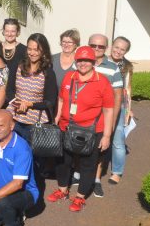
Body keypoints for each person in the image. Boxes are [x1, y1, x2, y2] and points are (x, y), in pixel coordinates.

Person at [47, 46, 114, 212]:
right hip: (66, 127)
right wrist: (57, 117)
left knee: (87, 164)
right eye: (80, 60)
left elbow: (108, 110)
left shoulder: (102, 81)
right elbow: (61, 99)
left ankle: (80, 197)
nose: (83, 64)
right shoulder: (69, 77)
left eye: (87, 60)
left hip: (91, 131)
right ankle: (63, 190)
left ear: (93, 62)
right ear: (75, 61)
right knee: (62, 161)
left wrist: (106, 135)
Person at [87, 33, 124, 198]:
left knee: (101, 148)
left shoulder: (113, 67)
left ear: (106, 48)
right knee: (80, 143)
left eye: (100, 46)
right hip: (84, 113)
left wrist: (113, 121)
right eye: (93, 45)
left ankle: (96, 179)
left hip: (103, 115)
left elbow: (118, 96)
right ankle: (79, 174)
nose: (96, 49)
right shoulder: (80, 61)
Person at [4, 33, 58, 143]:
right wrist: (17, 104)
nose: (32, 53)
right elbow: (9, 90)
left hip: (35, 123)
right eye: (29, 49)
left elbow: (50, 102)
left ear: (43, 51)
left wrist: (30, 104)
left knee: (31, 152)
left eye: (36, 50)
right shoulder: (17, 66)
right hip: (14, 119)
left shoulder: (48, 72)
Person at [108, 36, 134, 185]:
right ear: (112, 46)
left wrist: (129, 110)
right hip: (100, 104)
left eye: (122, 49)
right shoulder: (101, 61)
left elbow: (127, 90)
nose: (118, 51)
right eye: (116, 47)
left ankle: (117, 172)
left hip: (120, 105)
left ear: (126, 51)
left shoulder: (127, 67)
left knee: (118, 140)